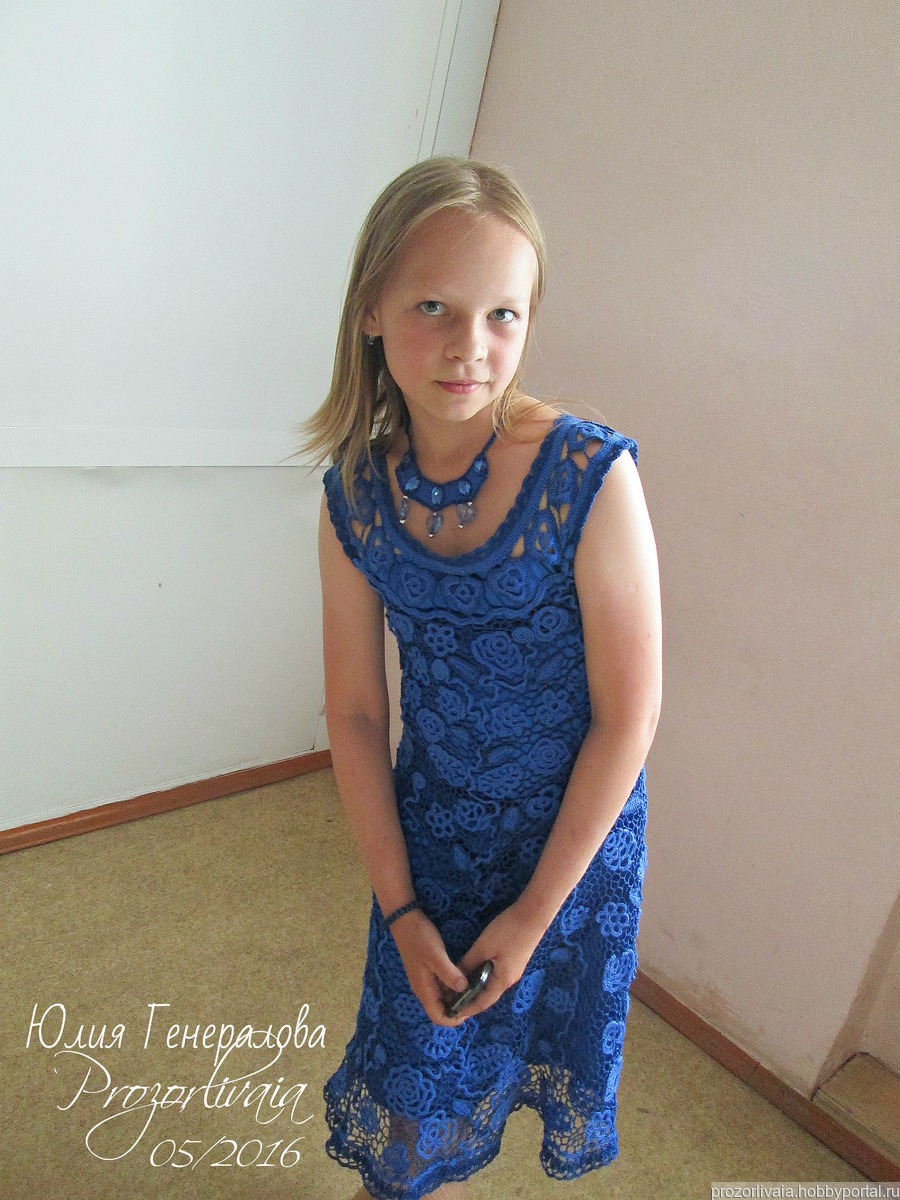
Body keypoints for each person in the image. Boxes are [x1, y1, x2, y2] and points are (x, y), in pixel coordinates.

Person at [298, 156, 662, 1200]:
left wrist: (535, 913)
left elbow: (628, 717)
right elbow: (356, 713)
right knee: (413, 1091)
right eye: (434, 307)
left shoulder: (589, 474)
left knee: (506, 1068)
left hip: (571, 851)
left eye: (503, 313)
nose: (471, 346)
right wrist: (401, 907)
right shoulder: (354, 497)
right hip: (432, 842)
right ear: (371, 311)